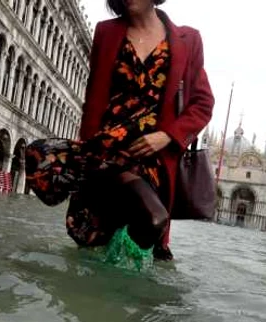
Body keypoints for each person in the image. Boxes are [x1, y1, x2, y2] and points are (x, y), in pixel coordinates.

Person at [25, 0, 214, 261]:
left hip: (153, 155)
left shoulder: (188, 39)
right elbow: (94, 98)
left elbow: (203, 104)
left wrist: (167, 135)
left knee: (153, 221)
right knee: (41, 155)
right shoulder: (106, 32)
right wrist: (90, 148)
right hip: (108, 150)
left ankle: (121, 282)